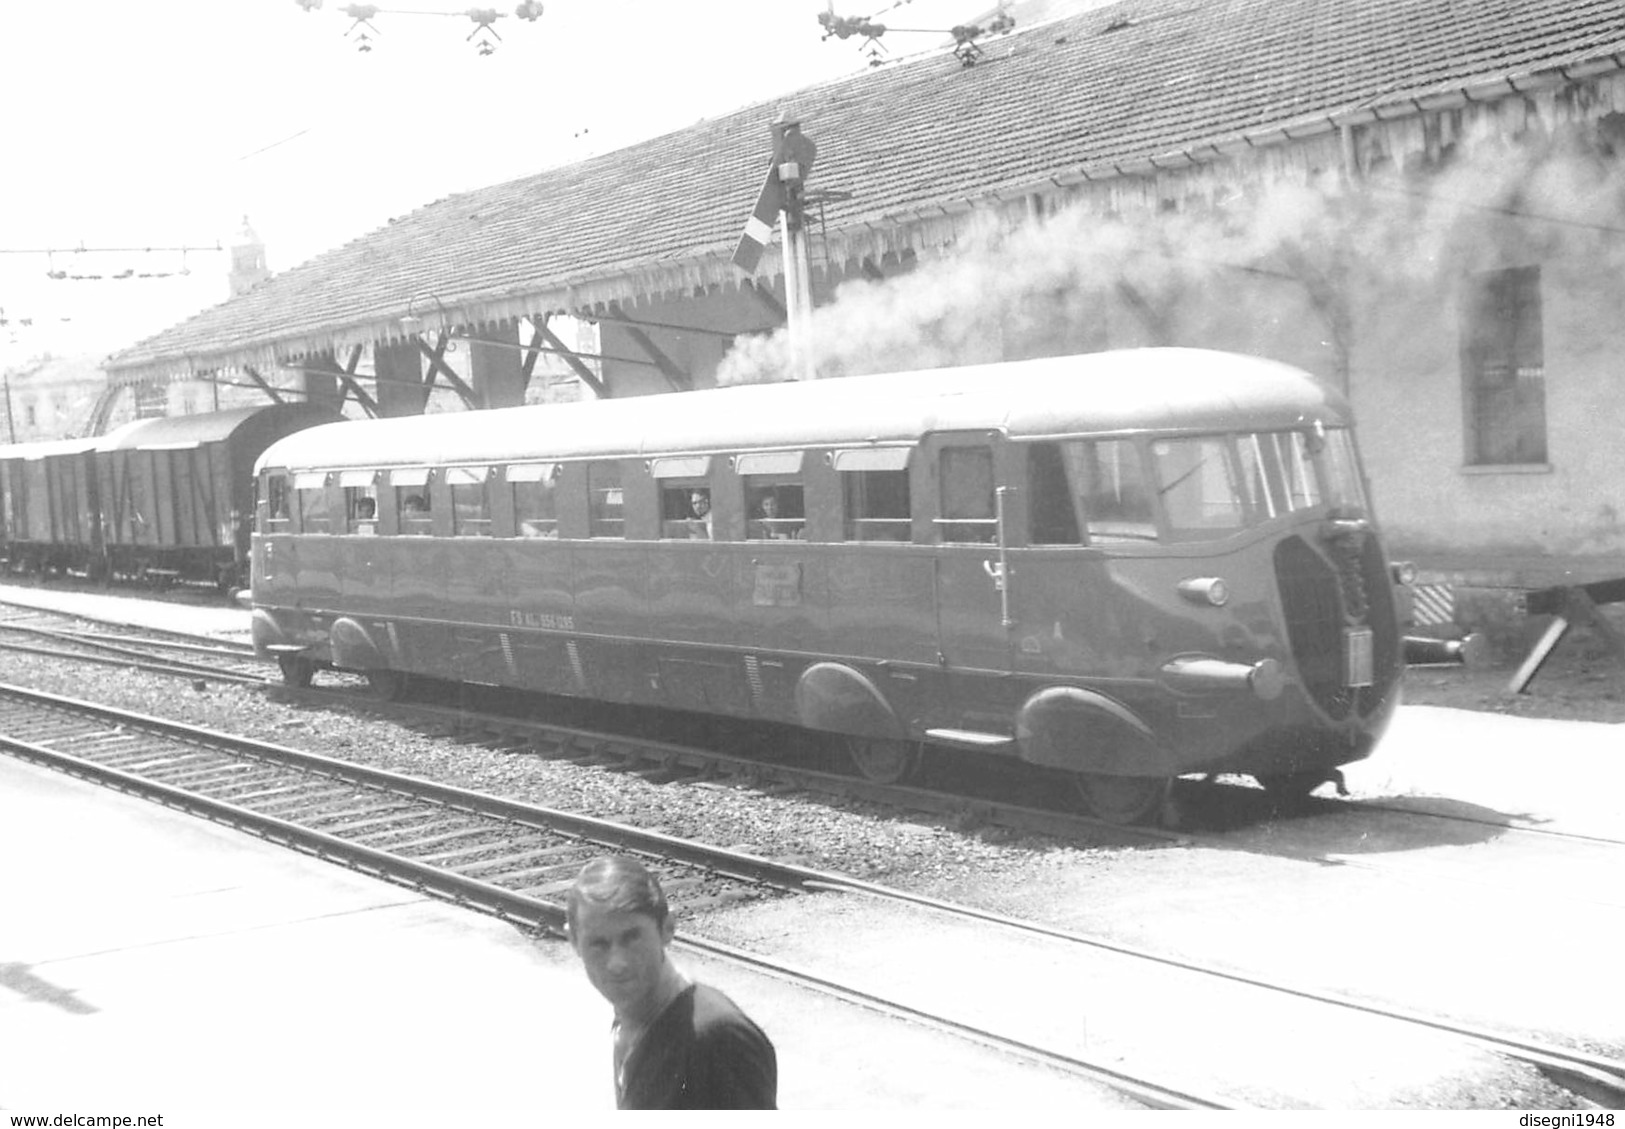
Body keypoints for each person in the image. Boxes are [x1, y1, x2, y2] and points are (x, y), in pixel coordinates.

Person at [566, 856, 777, 1109]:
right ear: (574, 942)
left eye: (632, 938)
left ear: (667, 928)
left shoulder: (715, 1038)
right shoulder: (631, 1021)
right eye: (598, 944)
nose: (617, 963)